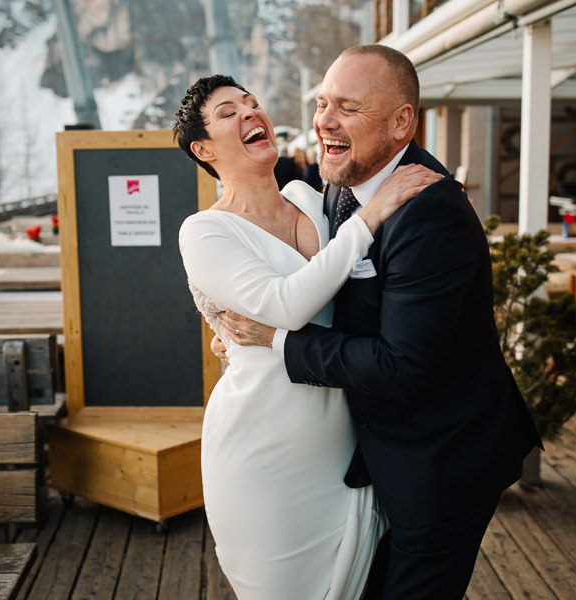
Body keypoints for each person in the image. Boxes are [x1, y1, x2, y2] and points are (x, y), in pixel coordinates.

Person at [217, 45, 543, 599]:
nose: (324, 121)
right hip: (383, 453)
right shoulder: (347, 179)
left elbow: (404, 367)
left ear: (400, 122)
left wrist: (277, 341)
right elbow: (326, 284)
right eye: (322, 103)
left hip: (444, 463)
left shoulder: (429, 212)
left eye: (347, 107)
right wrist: (244, 332)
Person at [174, 74, 440, 599]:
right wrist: (373, 213)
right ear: (203, 148)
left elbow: (350, 296)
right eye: (229, 113)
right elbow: (287, 305)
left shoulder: (311, 196)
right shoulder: (205, 231)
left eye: (252, 104)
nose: (251, 114)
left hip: (343, 439)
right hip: (261, 447)